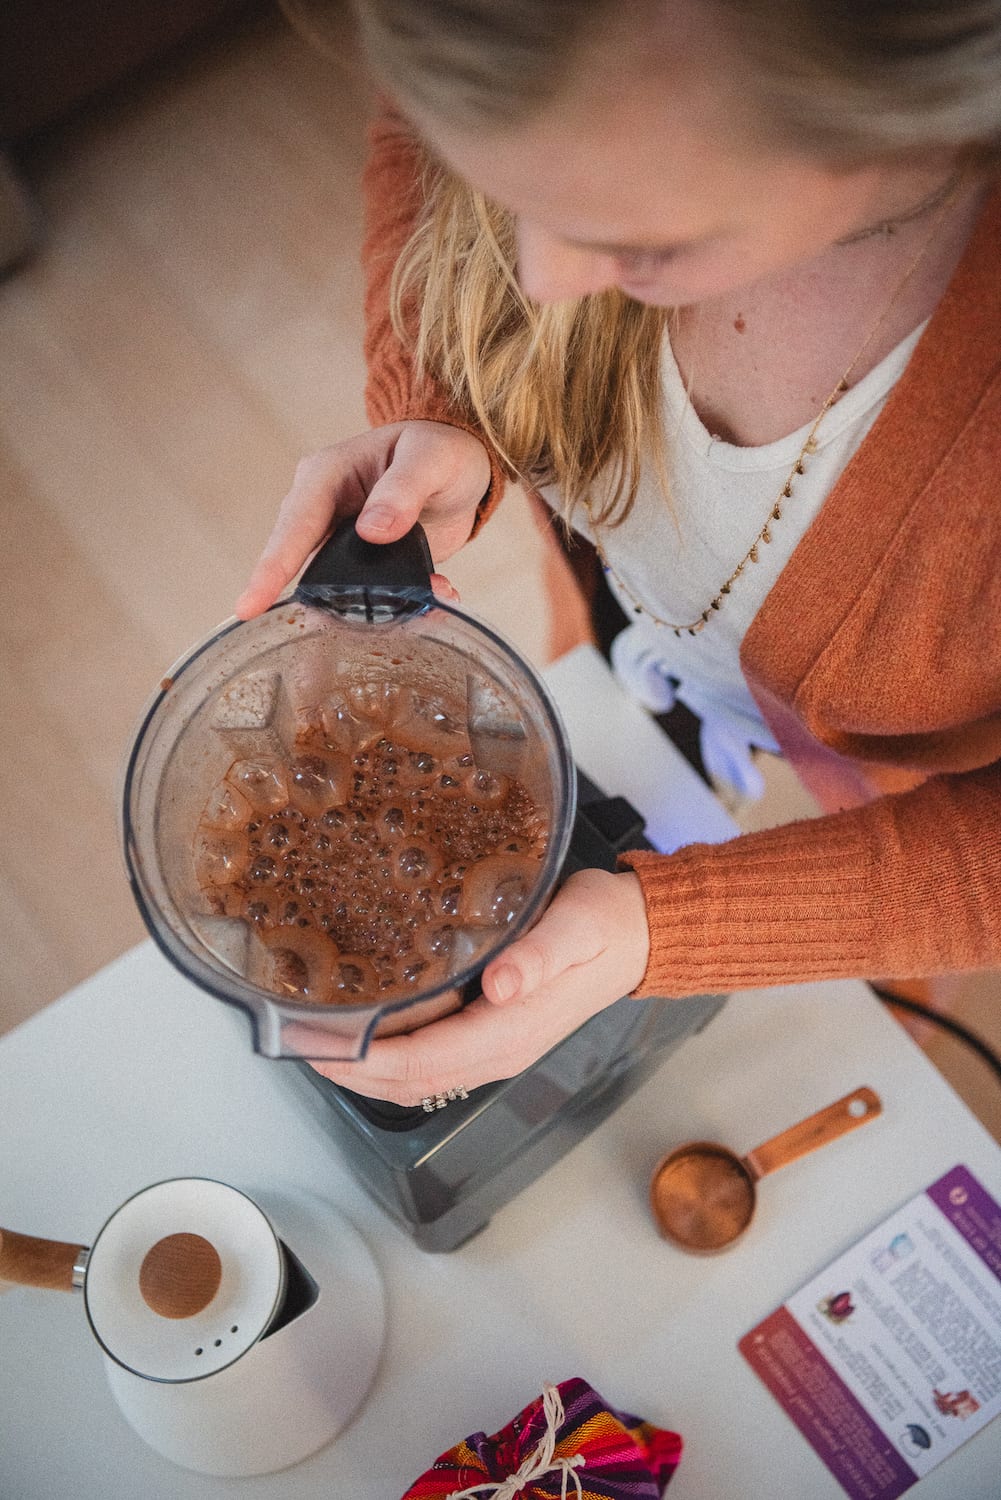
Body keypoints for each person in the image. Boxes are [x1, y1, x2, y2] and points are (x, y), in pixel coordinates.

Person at [235, 0, 1001, 1105]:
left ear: (908, 107)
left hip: (886, 777)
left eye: (646, 240)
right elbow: (428, 130)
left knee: (882, 990)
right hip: (632, 622)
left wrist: (670, 929)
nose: (541, 278)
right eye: (516, 197)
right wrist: (444, 409)